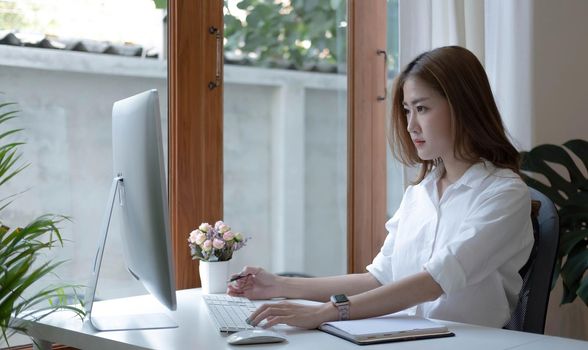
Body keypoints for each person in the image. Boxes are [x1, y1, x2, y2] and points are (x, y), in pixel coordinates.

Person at [227, 46, 534, 330]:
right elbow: (378, 279)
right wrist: (279, 286)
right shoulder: (420, 193)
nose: (411, 124)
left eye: (422, 108)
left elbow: (435, 280)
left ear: (462, 106)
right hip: (402, 337)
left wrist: (325, 313)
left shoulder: (504, 194)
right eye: (407, 110)